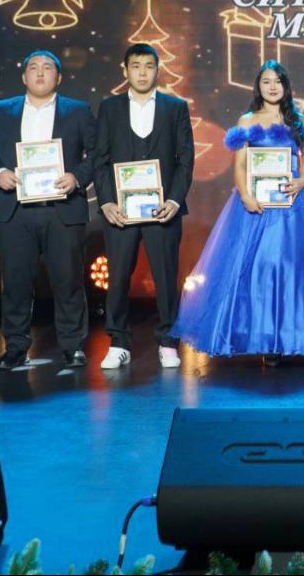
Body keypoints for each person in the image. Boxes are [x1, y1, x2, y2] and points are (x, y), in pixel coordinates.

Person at [176, 61, 304, 361]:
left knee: (291, 268)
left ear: (286, 86)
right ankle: (260, 337)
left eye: (277, 81)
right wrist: (245, 195)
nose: (272, 87)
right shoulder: (247, 121)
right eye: (266, 81)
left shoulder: (298, 120)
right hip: (254, 205)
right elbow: (241, 165)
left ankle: (290, 337)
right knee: (256, 269)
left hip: (293, 204)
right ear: (258, 86)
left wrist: (301, 181)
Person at [0, 50, 97, 370]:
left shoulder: (78, 111)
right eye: (33, 67)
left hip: (62, 208)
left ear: (58, 78)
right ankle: (15, 347)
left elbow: (97, 154)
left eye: (47, 68)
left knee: (68, 281)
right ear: (24, 76)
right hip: (15, 209)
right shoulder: (1, 111)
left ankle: (73, 346)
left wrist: (77, 177)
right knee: (15, 283)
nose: (40, 73)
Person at [93, 44, 194, 370]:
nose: (142, 72)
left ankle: (168, 341)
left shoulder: (175, 107)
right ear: (125, 70)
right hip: (120, 211)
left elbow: (185, 160)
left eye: (148, 66)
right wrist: (106, 202)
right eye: (135, 66)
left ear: (157, 70)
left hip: (163, 210)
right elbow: (100, 159)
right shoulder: (109, 108)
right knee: (118, 276)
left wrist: (174, 200)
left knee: (166, 277)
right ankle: (118, 342)